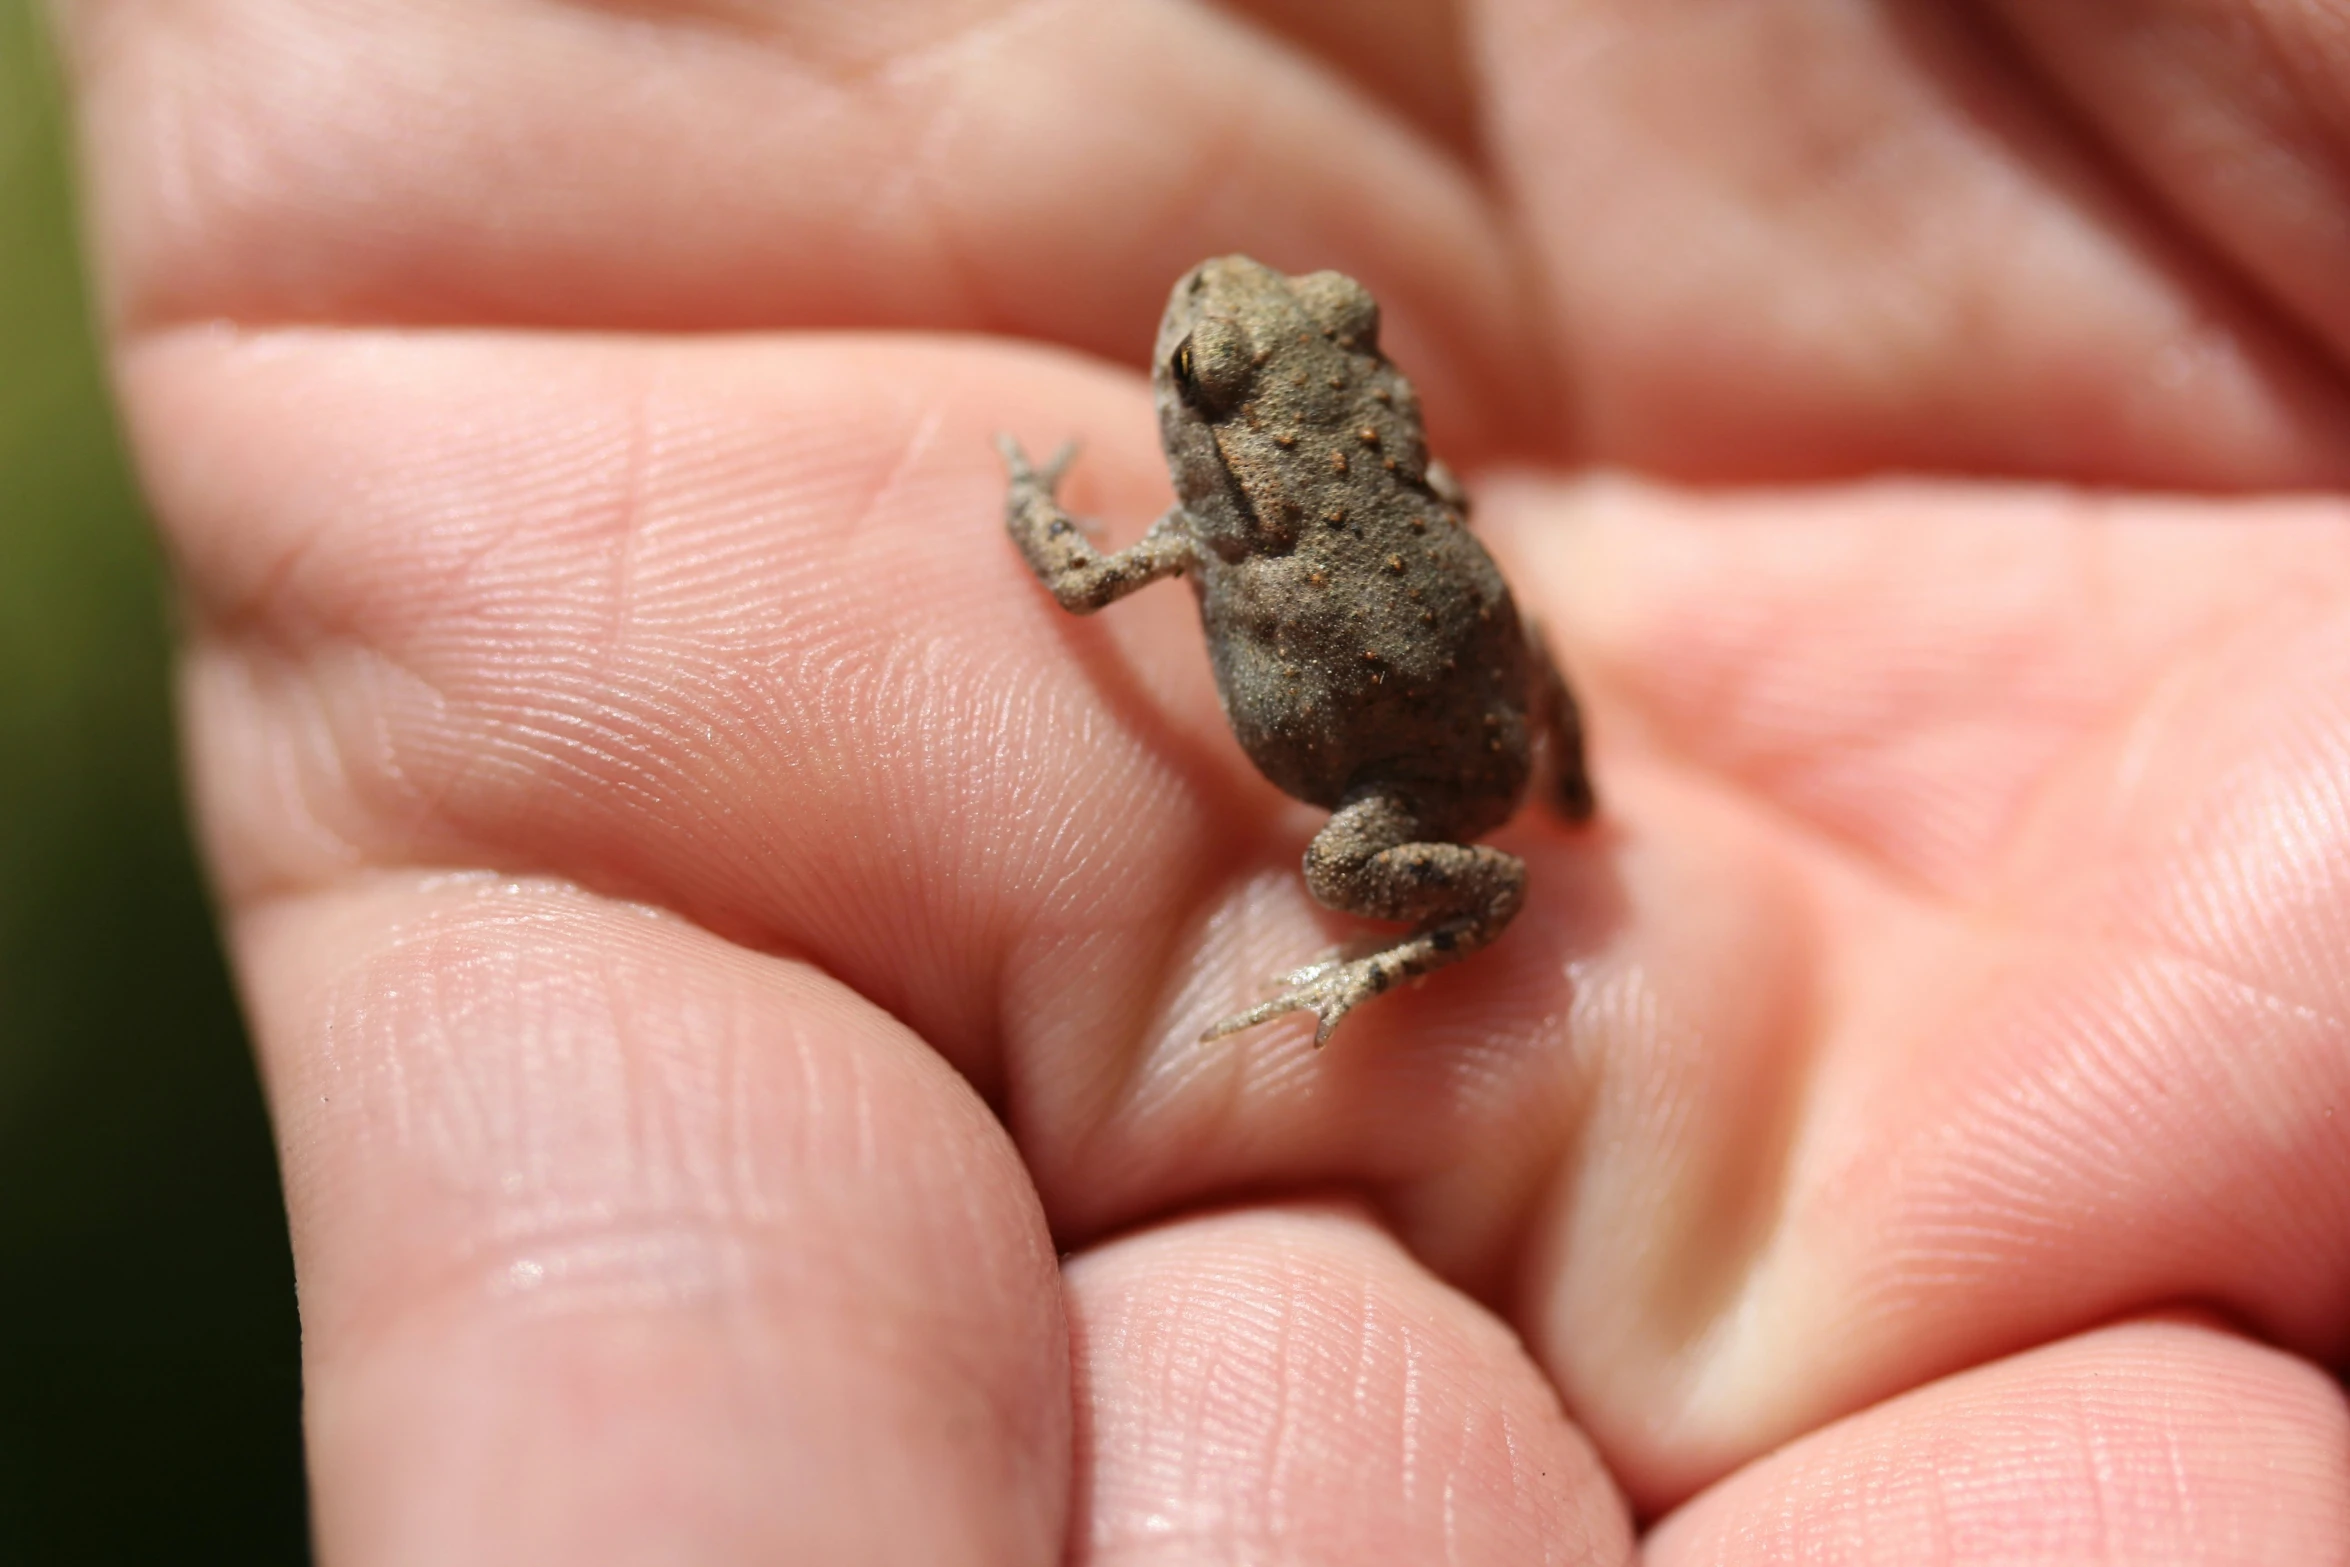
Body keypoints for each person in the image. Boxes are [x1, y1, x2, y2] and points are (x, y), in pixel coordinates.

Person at [56, 0, 2350, 1558]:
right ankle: (1549, 808)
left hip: (1386, 768)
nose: (1222, 346)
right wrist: (1546, 750)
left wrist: (1017, 503)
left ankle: (1446, 916)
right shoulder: (1254, 517)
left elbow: (1068, 579)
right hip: (1473, 659)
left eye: (1256, 355)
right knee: (1490, 692)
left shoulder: (1208, 526)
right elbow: (1432, 609)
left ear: (1274, 423)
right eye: (1230, 358)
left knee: (1374, 862)